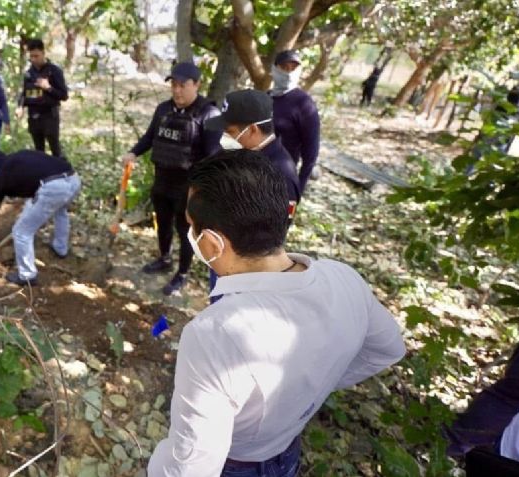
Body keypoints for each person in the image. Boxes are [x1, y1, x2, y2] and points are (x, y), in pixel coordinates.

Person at [147, 150, 406, 477]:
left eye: (191, 226)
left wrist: (156, 463)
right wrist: (315, 384)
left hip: (238, 465)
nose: (190, 233)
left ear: (212, 244)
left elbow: (191, 468)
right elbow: (390, 349)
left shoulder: (215, 334)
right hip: (287, 453)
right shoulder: (344, 278)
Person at [122, 62, 221, 296]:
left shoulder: (209, 114)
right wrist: (133, 152)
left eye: (183, 85)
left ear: (196, 85)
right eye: (174, 85)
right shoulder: (163, 109)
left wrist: (200, 190)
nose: (177, 91)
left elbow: (213, 157)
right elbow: (149, 138)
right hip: (163, 179)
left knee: (185, 229)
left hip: (189, 187)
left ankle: (182, 273)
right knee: (163, 223)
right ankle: (164, 258)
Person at [205, 89, 301, 302]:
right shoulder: (250, 156)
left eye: (230, 130)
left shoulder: (280, 175)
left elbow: (269, 238)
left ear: (253, 129)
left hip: (244, 272)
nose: (227, 136)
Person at [0, 149, 80, 285]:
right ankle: (60, 248)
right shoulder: (20, 157)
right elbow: (31, 183)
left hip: (53, 187)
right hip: (73, 179)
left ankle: (27, 275)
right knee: (60, 211)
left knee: (21, 232)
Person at [270, 50, 321, 196]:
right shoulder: (265, 98)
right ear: (274, 69)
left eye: (293, 69)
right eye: (284, 68)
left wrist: (298, 188)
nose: (289, 73)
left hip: (283, 180)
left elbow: (311, 152)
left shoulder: (304, 104)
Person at [19, 39, 68, 157]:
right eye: (31, 56)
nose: (34, 59)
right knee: (39, 152)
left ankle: (62, 173)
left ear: (43, 53)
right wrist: (20, 106)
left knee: (55, 149)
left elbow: (64, 95)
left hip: (49, 116)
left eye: (36, 56)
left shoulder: (54, 71)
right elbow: (25, 93)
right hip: (34, 117)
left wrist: (48, 88)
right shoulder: (29, 73)